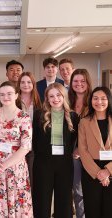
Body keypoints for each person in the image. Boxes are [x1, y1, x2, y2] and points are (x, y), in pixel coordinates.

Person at [0, 81, 33, 217]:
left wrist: (4, 165)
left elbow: (26, 146)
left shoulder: (24, 117)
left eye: (9, 94)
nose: (6, 97)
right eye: (2, 94)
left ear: (16, 95)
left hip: (15, 167)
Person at [32, 83, 79, 218]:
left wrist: (76, 151)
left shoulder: (74, 117)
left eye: (58, 95)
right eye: (51, 96)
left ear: (64, 96)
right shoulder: (38, 115)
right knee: (41, 200)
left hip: (64, 163)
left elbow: (78, 141)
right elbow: (34, 140)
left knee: (64, 201)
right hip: (43, 163)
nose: (55, 99)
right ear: (46, 98)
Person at [78, 86, 112, 218]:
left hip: (111, 168)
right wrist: (99, 173)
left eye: (103, 98)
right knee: (93, 209)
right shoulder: (84, 122)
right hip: (91, 171)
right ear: (91, 100)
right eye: (95, 98)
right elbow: (82, 149)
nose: (99, 102)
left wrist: (108, 171)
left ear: (109, 100)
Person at [68, 68, 92, 218]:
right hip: (70, 153)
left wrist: (80, 149)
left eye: (82, 81)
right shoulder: (66, 101)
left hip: (89, 153)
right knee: (76, 190)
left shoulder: (94, 102)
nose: (79, 84)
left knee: (86, 191)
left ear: (88, 83)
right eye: (75, 81)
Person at [16, 72, 41, 189]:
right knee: (17, 176)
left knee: (31, 176)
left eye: (29, 82)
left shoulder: (39, 102)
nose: (26, 85)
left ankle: (30, 204)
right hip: (16, 144)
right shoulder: (14, 101)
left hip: (33, 146)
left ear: (33, 84)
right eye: (22, 82)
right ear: (18, 84)